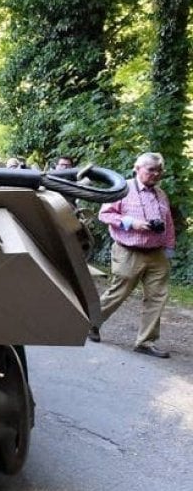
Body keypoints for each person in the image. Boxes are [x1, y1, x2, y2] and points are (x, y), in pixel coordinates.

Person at [89, 152, 177, 357]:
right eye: (151, 170)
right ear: (137, 168)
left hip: (157, 254)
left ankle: (145, 342)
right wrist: (132, 223)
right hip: (128, 250)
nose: (156, 174)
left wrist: (169, 247)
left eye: (159, 170)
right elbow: (105, 214)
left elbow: (169, 223)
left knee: (157, 297)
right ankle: (91, 324)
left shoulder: (161, 193)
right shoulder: (123, 188)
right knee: (118, 292)